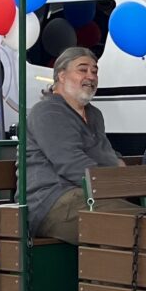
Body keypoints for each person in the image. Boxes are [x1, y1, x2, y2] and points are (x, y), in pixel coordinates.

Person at [24, 47, 130, 243]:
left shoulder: (94, 114)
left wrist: (119, 168)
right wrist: (117, 181)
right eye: (83, 69)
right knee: (130, 225)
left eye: (95, 71)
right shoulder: (47, 112)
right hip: (51, 201)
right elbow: (71, 163)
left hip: (90, 195)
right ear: (61, 76)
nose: (91, 76)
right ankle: (104, 273)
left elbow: (107, 154)